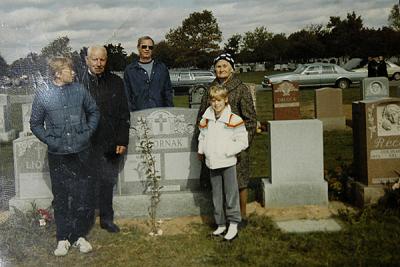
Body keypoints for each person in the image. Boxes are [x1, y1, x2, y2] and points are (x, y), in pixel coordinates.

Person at [30, 57, 99, 256]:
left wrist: (86, 134)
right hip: (58, 155)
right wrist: (51, 140)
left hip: (81, 152)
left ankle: (79, 236)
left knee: (82, 195)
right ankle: (62, 239)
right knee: (60, 197)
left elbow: (94, 112)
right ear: (58, 73)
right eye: (70, 70)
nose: (74, 73)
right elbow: (35, 123)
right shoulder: (44, 94)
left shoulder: (79, 90)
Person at [197, 53, 257, 228]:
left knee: (239, 181)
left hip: (235, 143)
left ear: (231, 68)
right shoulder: (211, 89)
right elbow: (202, 117)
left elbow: (251, 119)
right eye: (218, 66)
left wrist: (241, 145)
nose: (221, 69)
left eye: (224, 66)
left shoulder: (240, 88)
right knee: (218, 183)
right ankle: (222, 218)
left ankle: (241, 216)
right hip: (215, 144)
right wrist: (200, 146)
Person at [81, 45, 130, 233]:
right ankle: (86, 220)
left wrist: (122, 140)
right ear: (87, 60)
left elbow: (124, 113)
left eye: (102, 60)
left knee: (107, 181)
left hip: (109, 142)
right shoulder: (79, 82)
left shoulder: (116, 82)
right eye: (95, 59)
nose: (98, 64)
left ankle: (106, 219)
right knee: (87, 182)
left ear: (106, 60)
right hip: (87, 143)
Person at [198, 85, 248, 241]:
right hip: (212, 162)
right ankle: (220, 223)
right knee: (217, 195)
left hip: (227, 162)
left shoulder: (234, 119)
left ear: (226, 100)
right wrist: (202, 151)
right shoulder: (206, 119)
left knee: (231, 194)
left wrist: (228, 150)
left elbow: (242, 141)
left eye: (219, 100)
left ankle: (233, 223)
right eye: (213, 100)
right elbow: (202, 137)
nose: (216, 104)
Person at [123, 36, 173, 111]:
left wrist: (170, 112)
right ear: (138, 47)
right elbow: (127, 96)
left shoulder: (161, 68)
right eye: (144, 46)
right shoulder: (130, 70)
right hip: (139, 116)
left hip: (159, 115)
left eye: (150, 47)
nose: (147, 49)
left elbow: (168, 93)